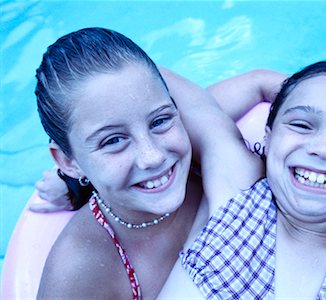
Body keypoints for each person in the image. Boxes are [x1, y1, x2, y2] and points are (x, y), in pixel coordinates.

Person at [34, 27, 284, 299]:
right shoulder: (78, 272)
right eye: (113, 141)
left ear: (177, 110)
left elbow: (257, 82)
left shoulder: (207, 145)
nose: (152, 156)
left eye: (160, 121)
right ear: (67, 161)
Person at [157, 59, 326, 299]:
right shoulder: (234, 188)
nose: (324, 148)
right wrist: (265, 81)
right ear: (268, 136)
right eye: (301, 124)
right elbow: (145, 80)